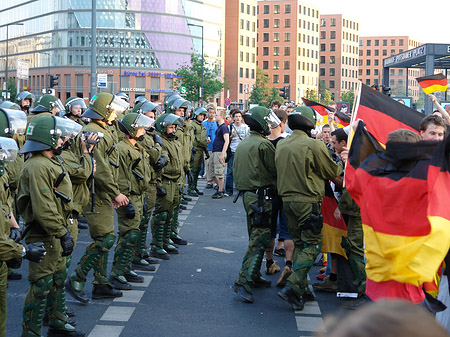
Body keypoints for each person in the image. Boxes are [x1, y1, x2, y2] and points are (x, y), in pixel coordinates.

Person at [18, 116, 85, 337]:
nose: (64, 140)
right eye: (60, 136)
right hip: (44, 233)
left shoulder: (51, 161)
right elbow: (44, 207)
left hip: (56, 230)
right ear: (48, 139)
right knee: (41, 284)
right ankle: (31, 332)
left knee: (56, 278)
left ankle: (57, 321)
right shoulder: (38, 166)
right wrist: (62, 232)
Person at [276, 106, 342, 311]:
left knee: (299, 243)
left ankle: (302, 288)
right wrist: (341, 161)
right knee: (312, 244)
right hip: (307, 201)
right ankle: (294, 286)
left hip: (287, 201)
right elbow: (332, 170)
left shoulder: (283, 144)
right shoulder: (313, 145)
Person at [66, 93, 129, 304]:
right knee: (105, 238)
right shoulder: (94, 131)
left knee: (104, 236)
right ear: (106, 110)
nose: (117, 114)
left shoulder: (101, 129)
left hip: (100, 192)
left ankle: (100, 283)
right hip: (96, 193)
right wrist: (115, 193)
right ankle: (77, 277)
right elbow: (100, 169)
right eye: (114, 110)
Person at [232, 106, 280, 303]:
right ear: (261, 124)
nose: (270, 126)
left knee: (256, 235)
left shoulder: (245, 143)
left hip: (249, 196)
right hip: (262, 197)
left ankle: (254, 275)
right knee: (259, 239)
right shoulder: (263, 145)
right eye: (267, 122)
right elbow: (274, 171)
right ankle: (243, 281)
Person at [109, 112, 154, 290]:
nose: (144, 131)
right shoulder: (122, 148)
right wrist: (124, 201)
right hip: (128, 196)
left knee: (133, 233)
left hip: (138, 194)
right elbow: (120, 177)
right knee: (128, 235)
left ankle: (125, 268)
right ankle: (117, 273)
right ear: (133, 129)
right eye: (141, 128)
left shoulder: (135, 147)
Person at [133, 101, 163, 269]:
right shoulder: (142, 136)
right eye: (148, 118)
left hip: (151, 181)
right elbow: (153, 155)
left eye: (153, 117)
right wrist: (158, 146)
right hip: (143, 183)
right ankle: (137, 254)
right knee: (140, 222)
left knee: (145, 220)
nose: (152, 121)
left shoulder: (150, 134)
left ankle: (142, 252)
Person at [150, 113, 183, 259]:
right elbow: (160, 163)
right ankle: (157, 245)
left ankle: (165, 239)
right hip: (165, 180)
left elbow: (179, 164)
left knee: (170, 212)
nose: (174, 129)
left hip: (175, 181)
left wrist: (181, 182)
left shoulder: (175, 142)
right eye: (171, 127)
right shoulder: (161, 142)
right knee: (161, 214)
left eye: (175, 127)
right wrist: (158, 184)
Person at [225, 109, 249, 197]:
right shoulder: (230, 127)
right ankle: (228, 190)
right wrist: (232, 136)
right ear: (233, 118)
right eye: (236, 117)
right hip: (233, 150)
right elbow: (227, 140)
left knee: (242, 171)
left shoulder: (246, 127)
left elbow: (248, 139)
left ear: (241, 118)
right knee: (230, 171)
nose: (238, 118)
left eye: (239, 116)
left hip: (242, 151)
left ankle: (242, 190)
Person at [188, 107, 208, 197]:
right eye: (200, 115)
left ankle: (194, 186)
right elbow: (191, 138)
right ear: (196, 115)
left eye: (203, 115)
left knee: (198, 169)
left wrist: (206, 151)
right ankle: (190, 188)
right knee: (193, 170)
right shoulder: (193, 125)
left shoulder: (201, 126)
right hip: (195, 150)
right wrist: (191, 148)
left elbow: (203, 140)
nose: (202, 117)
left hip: (200, 150)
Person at [210, 108, 230, 199]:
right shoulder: (220, 127)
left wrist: (222, 153)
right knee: (212, 172)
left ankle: (220, 190)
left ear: (221, 116)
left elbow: (227, 140)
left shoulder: (224, 127)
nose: (215, 116)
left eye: (217, 115)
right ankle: (220, 188)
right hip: (215, 151)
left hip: (219, 152)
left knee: (219, 172)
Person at [203, 106, 217, 189]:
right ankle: (209, 181)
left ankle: (215, 181)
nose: (211, 114)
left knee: (215, 165)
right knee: (207, 164)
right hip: (207, 147)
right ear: (207, 113)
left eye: (213, 113)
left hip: (215, 147)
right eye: (210, 112)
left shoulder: (217, 123)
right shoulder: (203, 124)